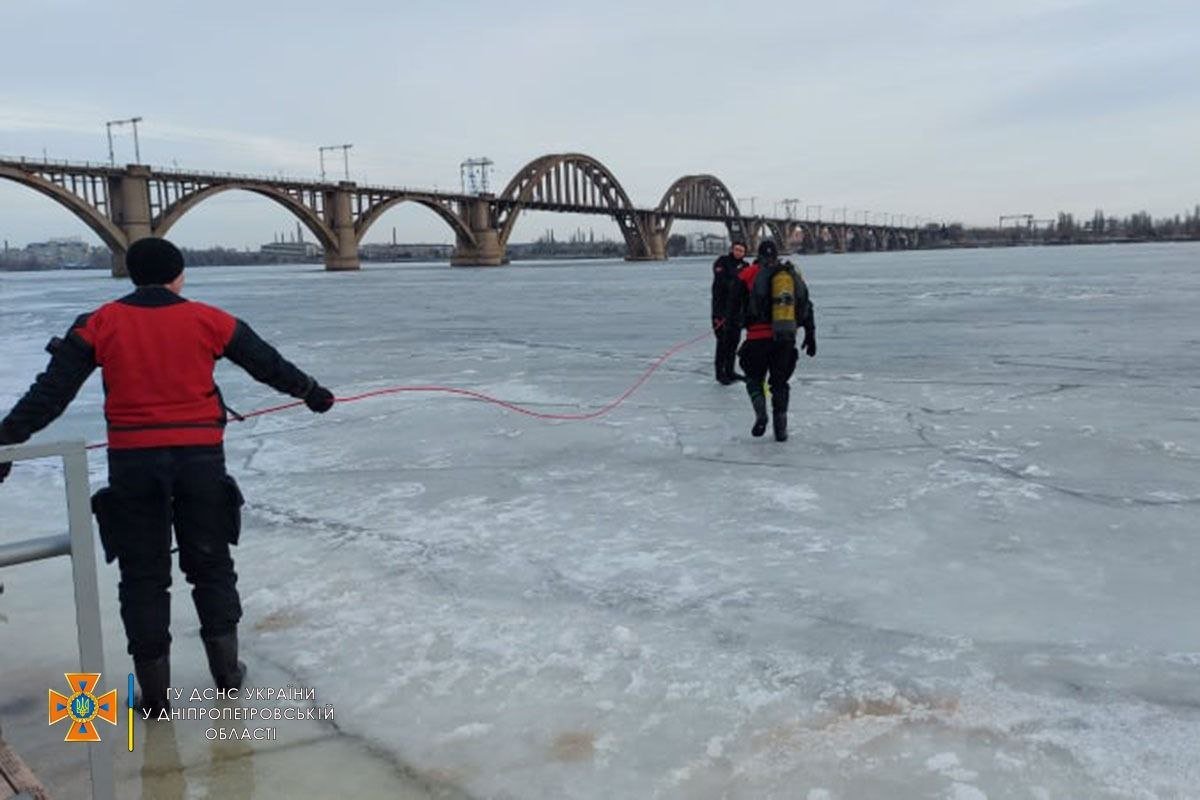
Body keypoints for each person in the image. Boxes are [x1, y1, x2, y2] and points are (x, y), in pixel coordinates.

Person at [0, 237, 334, 715]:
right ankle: (227, 678)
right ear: (180, 275)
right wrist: (313, 393)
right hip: (200, 464)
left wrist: (6, 439)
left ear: (133, 275)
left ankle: (155, 700)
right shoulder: (210, 319)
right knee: (211, 565)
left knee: (143, 578)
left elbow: (51, 393)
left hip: (133, 467)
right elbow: (268, 364)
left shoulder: (100, 323)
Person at [727, 240, 816, 441]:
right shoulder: (790, 275)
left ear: (758, 255)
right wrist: (811, 333)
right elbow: (806, 304)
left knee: (753, 379)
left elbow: (733, 304)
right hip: (785, 338)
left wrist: (730, 331)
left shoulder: (749, 273)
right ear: (776, 255)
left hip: (756, 339)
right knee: (780, 383)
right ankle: (780, 426)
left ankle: (761, 414)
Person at [710, 239, 748, 384]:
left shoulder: (745, 266)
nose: (739, 252)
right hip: (721, 311)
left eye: (742, 250)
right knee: (722, 342)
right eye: (737, 249)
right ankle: (720, 373)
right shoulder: (722, 262)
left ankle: (730, 371)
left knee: (733, 342)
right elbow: (722, 282)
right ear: (732, 249)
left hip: (737, 312)